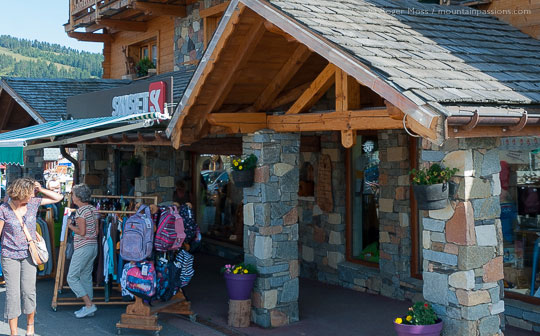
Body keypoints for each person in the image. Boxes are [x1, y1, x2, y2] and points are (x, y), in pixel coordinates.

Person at [0, 178, 63, 336]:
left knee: (29, 292)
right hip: (9, 255)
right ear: (21, 193)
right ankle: (13, 332)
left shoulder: (33, 203)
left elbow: (58, 198)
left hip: (30, 254)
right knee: (12, 294)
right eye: (29, 192)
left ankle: (30, 326)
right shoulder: (4, 209)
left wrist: (40, 188)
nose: (32, 195)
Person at [66, 184, 99, 318]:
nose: (72, 197)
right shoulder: (93, 209)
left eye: (73, 194)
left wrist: (70, 226)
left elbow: (82, 232)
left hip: (83, 247)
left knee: (72, 277)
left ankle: (89, 305)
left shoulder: (80, 212)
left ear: (78, 197)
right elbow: (96, 231)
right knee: (86, 276)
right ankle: (88, 307)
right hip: (93, 246)